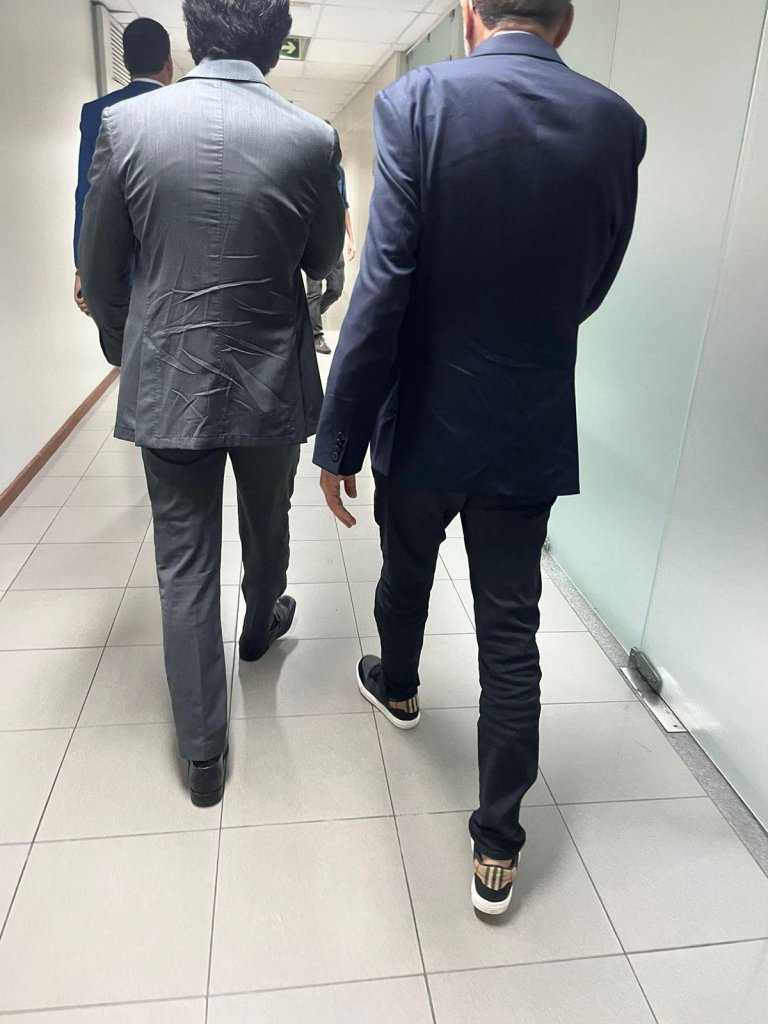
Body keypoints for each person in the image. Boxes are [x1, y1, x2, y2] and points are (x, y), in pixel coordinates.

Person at [314, 0, 646, 916]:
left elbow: (383, 284)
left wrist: (340, 435)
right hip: (527, 424)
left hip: (422, 419)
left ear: (469, 15)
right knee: (511, 632)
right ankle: (498, 844)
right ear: (564, 23)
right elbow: (593, 278)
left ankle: (399, 688)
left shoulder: (418, 103)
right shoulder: (617, 126)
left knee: (405, 574)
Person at [79, 0, 345, 807]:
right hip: (269, 380)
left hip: (170, 380)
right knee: (267, 524)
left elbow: (100, 267)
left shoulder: (127, 129)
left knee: (184, 563)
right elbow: (323, 259)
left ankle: (202, 757)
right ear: (275, 42)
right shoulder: (311, 138)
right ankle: (261, 627)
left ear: (192, 38)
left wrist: (131, 349)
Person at [73, 18, 173, 318]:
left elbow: (87, 196)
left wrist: (82, 269)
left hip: (116, 265)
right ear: (168, 63)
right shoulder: (184, 111)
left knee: (122, 340)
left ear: (126, 62)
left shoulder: (97, 113)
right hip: (172, 264)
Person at [306, 157, 356, 354]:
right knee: (314, 291)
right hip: (314, 240)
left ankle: (306, 320)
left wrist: (352, 238)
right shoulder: (311, 169)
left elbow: (345, 206)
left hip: (336, 241)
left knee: (336, 288)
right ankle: (316, 336)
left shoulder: (339, 172)